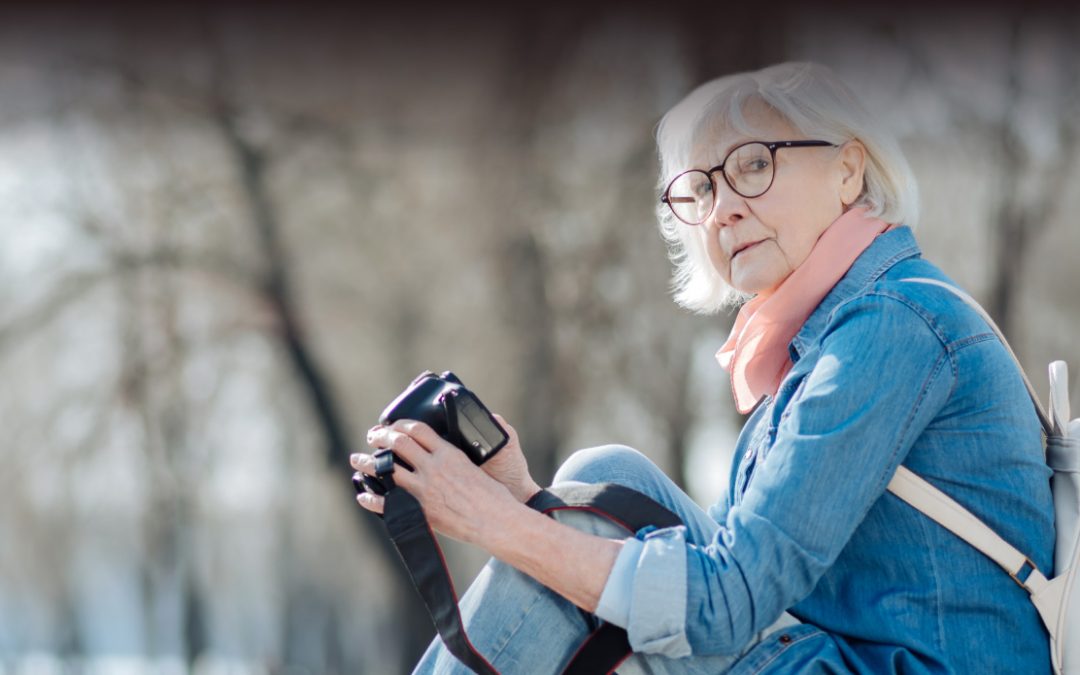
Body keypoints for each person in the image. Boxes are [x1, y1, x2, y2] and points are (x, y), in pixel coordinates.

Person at [349, 62, 1055, 673]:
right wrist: (527, 500)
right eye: (702, 189)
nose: (721, 211)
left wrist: (494, 521)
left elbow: (725, 601)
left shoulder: (888, 328)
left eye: (754, 164)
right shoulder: (835, 334)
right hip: (850, 653)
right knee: (609, 480)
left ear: (848, 169)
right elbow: (734, 568)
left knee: (585, 530)